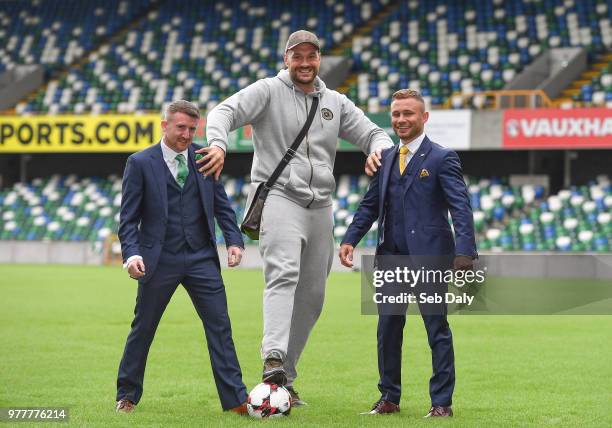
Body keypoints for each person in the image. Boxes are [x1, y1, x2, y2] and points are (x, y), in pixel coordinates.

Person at [202, 30, 394, 405]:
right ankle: (273, 356)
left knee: (314, 294)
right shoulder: (268, 91)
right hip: (279, 197)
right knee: (283, 272)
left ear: (319, 59)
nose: (304, 63)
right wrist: (219, 143)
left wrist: (380, 151)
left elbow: (374, 133)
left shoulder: (334, 102)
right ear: (286, 59)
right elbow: (223, 111)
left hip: (321, 205)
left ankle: (284, 378)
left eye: (311, 56)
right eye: (297, 56)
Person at [339, 89, 477, 417]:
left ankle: (441, 403)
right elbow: (371, 204)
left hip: (430, 257)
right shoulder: (386, 157)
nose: (401, 120)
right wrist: (350, 239)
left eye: (408, 114)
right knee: (387, 329)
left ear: (424, 117)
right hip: (391, 257)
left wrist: (465, 252)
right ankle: (389, 398)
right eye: (396, 114)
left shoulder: (443, 158)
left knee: (436, 329)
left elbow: (461, 207)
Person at [115, 100, 248, 415]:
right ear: (164, 125)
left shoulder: (205, 157)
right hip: (158, 260)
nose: (188, 135)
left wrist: (234, 241)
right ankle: (127, 395)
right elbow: (128, 219)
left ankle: (236, 400)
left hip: (202, 257)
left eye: (192, 128)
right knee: (143, 328)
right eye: (181, 128)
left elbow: (221, 205)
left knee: (220, 327)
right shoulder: (140, 163)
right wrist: (131, 254)